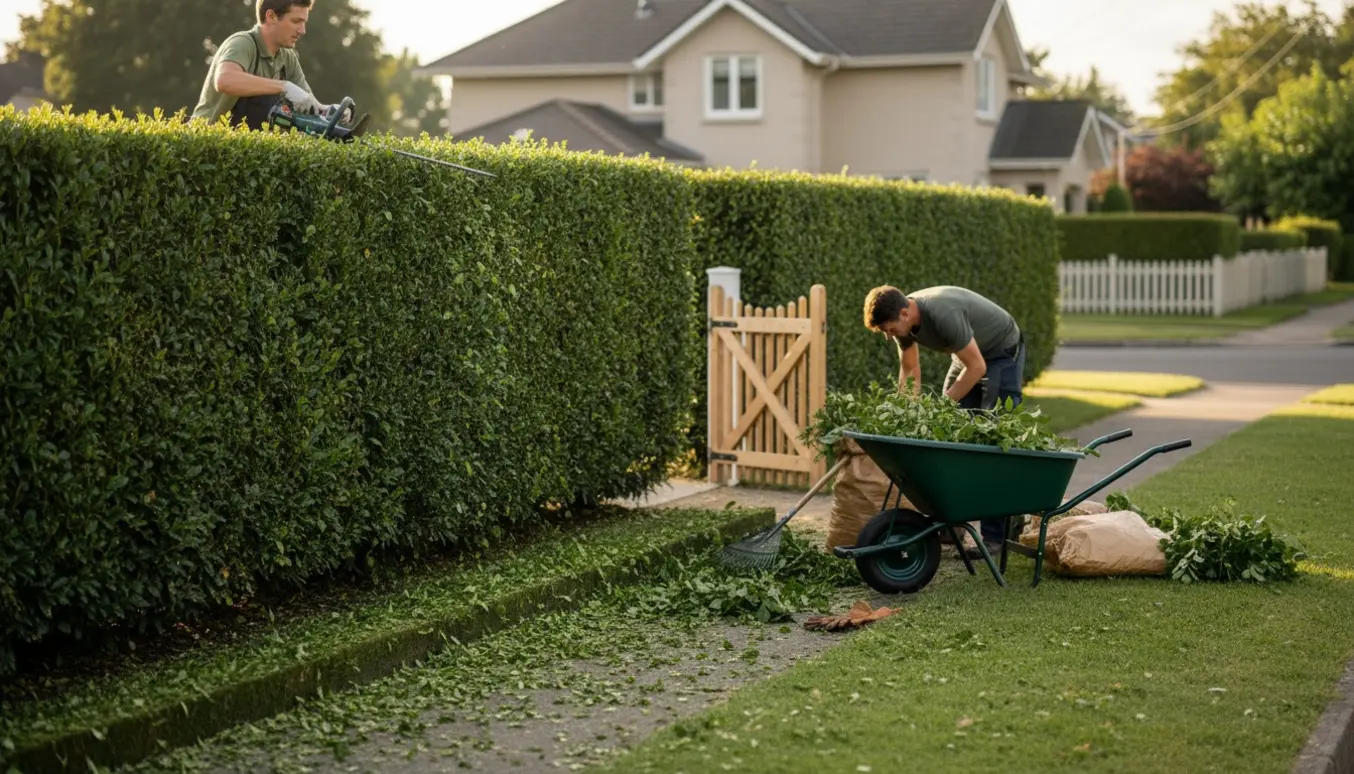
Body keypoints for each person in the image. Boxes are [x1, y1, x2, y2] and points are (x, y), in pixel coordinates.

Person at [862, 284, 1027, 556]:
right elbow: (910, 368)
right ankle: (952, 524)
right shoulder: (904, 320)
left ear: (904, 313)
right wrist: (906, 413)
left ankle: (996, 535)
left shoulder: (943, 314)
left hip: (1000, 352)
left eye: (890, 330)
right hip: (966, 356)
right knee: (946, 434)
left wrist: (942, 405)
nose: (890, 337)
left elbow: (979, 367)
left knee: (994, 441)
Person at [191, 0, 342, 128]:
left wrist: (329, 111)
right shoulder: (242, 43)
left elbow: (308, 103)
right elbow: (224, 81)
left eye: (304, 22)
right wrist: (283, 87)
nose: (302, 30)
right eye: (296, 21)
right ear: (271, 16)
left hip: (244, 151)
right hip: (202, 146)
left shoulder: (288, 57)